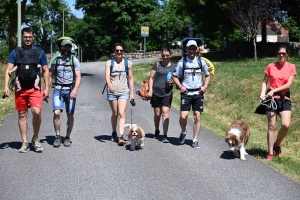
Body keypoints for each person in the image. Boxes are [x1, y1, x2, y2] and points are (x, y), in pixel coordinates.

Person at [3, 27, 50, 153]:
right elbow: (8, 71)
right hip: (20, 89)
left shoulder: (39, 52)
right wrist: (6, 86)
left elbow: (46, 71)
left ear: (33, 37)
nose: (28, 39)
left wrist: (47, 88)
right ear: (22, 38)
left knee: (37, 112)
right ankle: (25, 142)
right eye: (25, 37)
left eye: (30, 37)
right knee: (22, 114)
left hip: (35, 88)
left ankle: (35, 138)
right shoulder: (15, 52)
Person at [259, 45, 297, 161]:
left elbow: (289, 84)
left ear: (287, 55)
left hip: (284, 98)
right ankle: (270, 152)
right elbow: (265, 81)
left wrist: (274, 90)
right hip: (271, 98)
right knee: (272, 125)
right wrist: (262, 93)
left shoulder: (291, 67)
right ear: (277, 54)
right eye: (279, 53)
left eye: (284, 54)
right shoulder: (271, 66)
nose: (281, 55)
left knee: (286, 125)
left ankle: (277, 145)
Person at [173, 40, 211, 148]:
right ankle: (184, 131)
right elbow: (174, 76)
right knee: (183, 116)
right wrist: (180, 86)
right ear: (186, 49)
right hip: (186, 92)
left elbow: (208, 75)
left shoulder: (201, 62)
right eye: (190, 48)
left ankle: (195, 140)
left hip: (198, 92)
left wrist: (205, 86)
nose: (192, 50)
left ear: (197, 49)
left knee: (197, 116)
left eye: (194, 48)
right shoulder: (182, 62)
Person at [49, 39, 81, 147]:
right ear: (61, 47)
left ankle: (67, 137)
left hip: (70, 89)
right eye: (65, 47)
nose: (67, 49)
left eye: (69, 47)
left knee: (70, 115)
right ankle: (58, 136)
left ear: (71, 48)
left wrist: (75, 90)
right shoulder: (55, 59)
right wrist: (47, 90)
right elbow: (49, 75)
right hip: (58, 89)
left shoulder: (74, 60)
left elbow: (78, 77)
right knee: (56, 113)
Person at [105, 43, 134, 146]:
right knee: (115, 113)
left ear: (123, 51)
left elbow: (130, 79)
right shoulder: (109, 63)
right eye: (117, 50)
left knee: (122, 113)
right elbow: (107, 77)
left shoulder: (128, 64)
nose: (119, 52)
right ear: (114, 51)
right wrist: (109, 85)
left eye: (121, 50)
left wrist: (132, 93)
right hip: (112, 92)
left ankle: (121, 136)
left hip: (123, 91)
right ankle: (114, 131)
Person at [147, 47, 176, 143]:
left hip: (167, 93)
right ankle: (156, 129)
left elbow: (178, 79)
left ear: (170, 55)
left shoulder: (174, 67)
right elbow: (151, 78)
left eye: (167, 55)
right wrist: (150, 90)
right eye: (163, 55)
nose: (165, 57)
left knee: (165, 113)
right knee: (157, 114)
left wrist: (174, 81)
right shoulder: (156, 65)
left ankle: (165, 135)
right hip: (156, 92)